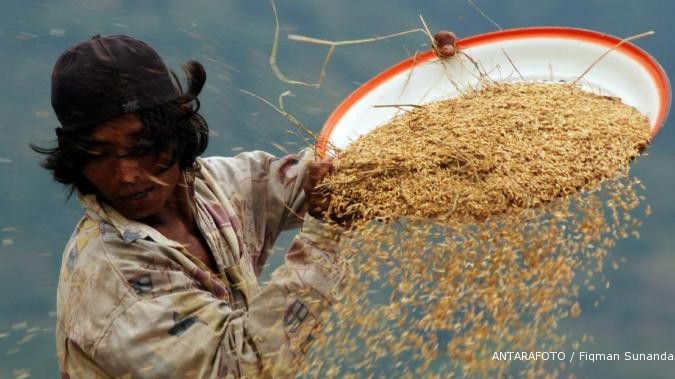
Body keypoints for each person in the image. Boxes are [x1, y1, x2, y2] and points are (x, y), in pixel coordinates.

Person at [34, 31, 457, 378]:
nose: (125, 175)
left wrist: (435, 92)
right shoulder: (116, 279)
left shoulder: (217, 188)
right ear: (76, 159)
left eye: (142, 145)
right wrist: (324, 235)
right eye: (98, 154)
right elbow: (243, 367)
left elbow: (338, 178)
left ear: (176, 132)